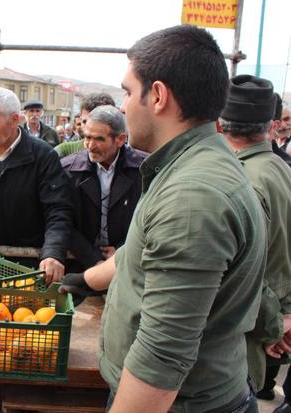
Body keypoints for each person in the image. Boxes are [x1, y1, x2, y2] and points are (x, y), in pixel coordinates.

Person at [96, 25, 267, 412]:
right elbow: (141, 254)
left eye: (127, 91)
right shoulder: (189, 166)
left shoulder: (193, 197)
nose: (123, 106)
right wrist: (88, 278)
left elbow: (162, 356)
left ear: (157, 96)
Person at [219, 75, 291, 410]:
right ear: (270, 125)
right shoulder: (279, 168)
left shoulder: (241, 182)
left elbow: (246, 273)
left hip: (249, 334)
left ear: (220, 124)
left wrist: (274, 327)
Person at [0, 87, 72, 284]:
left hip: (30, 266)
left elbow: (58, 209)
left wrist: (52, 252)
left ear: (15, 120)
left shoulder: (43, 156)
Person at [61, 105, 146, 273]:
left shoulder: (144, 171)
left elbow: (150, 222)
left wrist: (123, 251)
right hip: (81, 266)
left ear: (120, 139)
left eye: (99, 139)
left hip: (129, 266)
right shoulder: (68, 170)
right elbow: (63, 221)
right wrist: (94, 260)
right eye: (87, 137)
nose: (90, 146)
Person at [54, 93, 116, 158]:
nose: (90, 127)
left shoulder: (123, 157)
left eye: (98, 122)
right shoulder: (63, 152)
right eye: (85, 121)